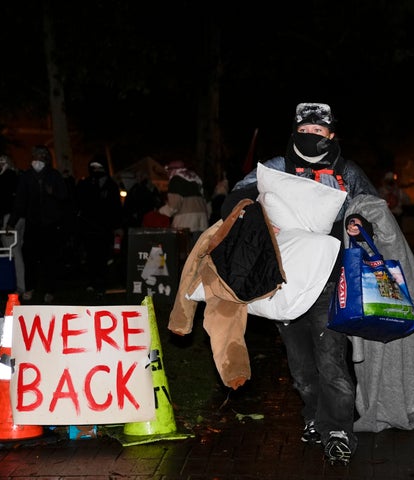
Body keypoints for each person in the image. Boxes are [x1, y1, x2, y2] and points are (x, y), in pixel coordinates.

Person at [221, 102, 378, 465]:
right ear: (295, 132)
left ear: (331, 135)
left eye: (318, 132)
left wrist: (358, 225)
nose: (310, 136)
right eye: (304, 131)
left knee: (331, 361)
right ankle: (313, 416)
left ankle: (339, 430)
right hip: (285, 282)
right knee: (302, 368)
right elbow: (234, 199)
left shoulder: (347, 172)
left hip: (329, 280)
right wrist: (255, 212)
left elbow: (372, 208)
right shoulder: (276, 168)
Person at [6, 145, 68, 303]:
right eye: (35, 155)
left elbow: (65, 197)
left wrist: (52, 192)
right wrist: (11, 223)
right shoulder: (27, 176)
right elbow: (20, 201)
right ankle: (30, 287)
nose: (38, 158)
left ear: (46, 158)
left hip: (51, 224)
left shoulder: (54, 175)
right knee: (30, 257)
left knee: (50, 258)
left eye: (41, 155)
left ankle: (50, 289)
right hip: (33, 224)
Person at [74, 156, 123, 297]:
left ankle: (102, 282)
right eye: (93, 168)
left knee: (104, 256)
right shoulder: (85, 184)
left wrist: (117, 226)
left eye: (99, 168)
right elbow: (79, 204)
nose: (96, 171)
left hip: (105, 228)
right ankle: (91, 282)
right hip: (89, 227)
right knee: (90, 256)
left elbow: (116, 207)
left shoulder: (111, 186)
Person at [0, 155, 26, 295]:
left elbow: (8, 200)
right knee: (13, 251)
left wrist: (10, 222)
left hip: (10, 218)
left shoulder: (8, 177)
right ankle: (13, 283)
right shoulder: (10, 176)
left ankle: (19, 286)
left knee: (13, 252)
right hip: (14, 217)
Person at [158, 160, 210, 247]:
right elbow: (208, 202)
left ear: (173, 170)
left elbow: (174, 206)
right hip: (202, 221)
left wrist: (160, 211)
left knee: (185, 251)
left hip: (186, 222)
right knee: (198, 252)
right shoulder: (196, 178)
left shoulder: (176, 180)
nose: (167, 173)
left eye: (168, 170)